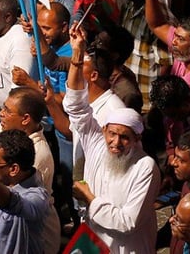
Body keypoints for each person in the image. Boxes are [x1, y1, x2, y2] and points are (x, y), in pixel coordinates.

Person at [64, 25, 160, 253]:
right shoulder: (97, 144)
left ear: (137, 139)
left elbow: (127, 222)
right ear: (103, 130)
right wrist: (77, 55)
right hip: (94, 242)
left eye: (124, 138)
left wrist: (90, 198)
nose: (116, 143)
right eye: (112, 134)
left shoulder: (145, 167)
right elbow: (75, 106)